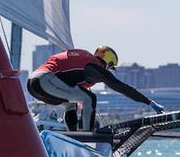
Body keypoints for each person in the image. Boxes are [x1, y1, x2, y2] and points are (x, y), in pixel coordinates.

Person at [27, 45, 164, 131]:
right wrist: (149, 102)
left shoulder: (81, 58)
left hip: (33, 84)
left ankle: (73, 136)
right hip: (46, 81)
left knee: (71, 104)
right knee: (89, 98)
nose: (108, 70)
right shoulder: (93, 67)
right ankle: (87, 137)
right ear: (107, 63)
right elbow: (121, 87)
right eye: (110, 67)